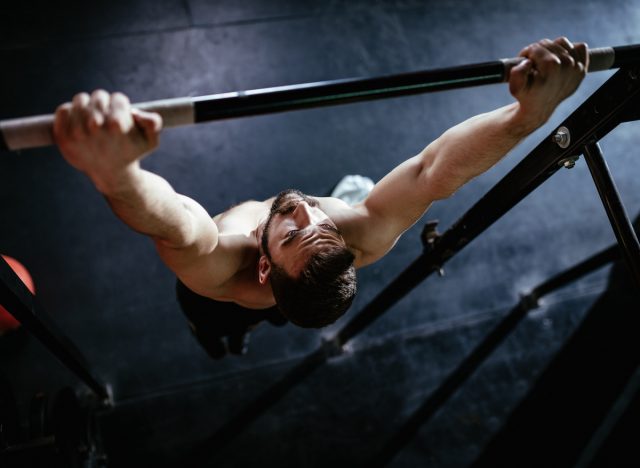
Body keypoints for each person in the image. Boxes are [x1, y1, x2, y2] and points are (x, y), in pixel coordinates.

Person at [53, 37, 588, 358]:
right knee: (351, 206)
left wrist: (115, 173)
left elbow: (175, 225)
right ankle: (254, 326)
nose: (305, 206)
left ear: (263, 266)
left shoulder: (223, 265)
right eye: (323, 226)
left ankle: (221, 341)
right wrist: (528, 118)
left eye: (292, 230)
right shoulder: (362, 239)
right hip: (285, 297)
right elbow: (432, 173)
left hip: (217, 304)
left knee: (216, 330)